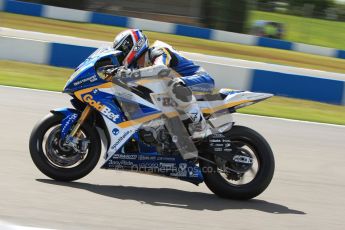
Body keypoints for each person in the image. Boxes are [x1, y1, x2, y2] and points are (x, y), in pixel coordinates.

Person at [112, 29, 214, 139]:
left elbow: (161, 69)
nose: (122, 55)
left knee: (175, 85)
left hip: (201, 79)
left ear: (134, 45)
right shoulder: (137, 66)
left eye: (123, 50)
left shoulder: (158, 50)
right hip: (182, 93)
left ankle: (202, 127)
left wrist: (130, 74)